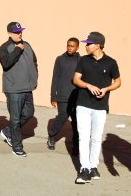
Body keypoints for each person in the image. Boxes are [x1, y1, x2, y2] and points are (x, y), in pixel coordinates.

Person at [73, 32, 121, 184]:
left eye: (89, 44)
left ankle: (93, 167)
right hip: (83, 104)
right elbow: (76, 79)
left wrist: (106, 89)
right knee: (83, 137)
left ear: (98, 45)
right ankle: (84, 168)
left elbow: (118, 82)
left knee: (96, 138)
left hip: (101, 106)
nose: (86, 46)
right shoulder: (83, 60)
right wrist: (88, 85)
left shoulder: (111, 62)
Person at [0, 22, 38, 157]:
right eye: (16, 32)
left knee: (29, 113)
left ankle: (9, 132)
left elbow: (34, 61)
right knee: (15, 119)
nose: (20, 34)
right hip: (14, 89)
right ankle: (17, 147)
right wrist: (17, 50)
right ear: (9, 33)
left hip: (27, 88)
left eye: (20, 31)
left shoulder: (27, 45)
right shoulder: (5, 47)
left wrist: (34, 78)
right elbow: (6, 63)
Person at [47, 37, 80, 155]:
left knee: (77, 121)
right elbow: (55, 77)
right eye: (68, 46)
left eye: (72, 46)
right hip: (62, 95)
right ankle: (51, 135)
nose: (70, 48)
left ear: (77, 47)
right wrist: (53, 96)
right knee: (62, 117)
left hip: (77, 96)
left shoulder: (81, 60)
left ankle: (76, 145)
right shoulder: (60, 59)